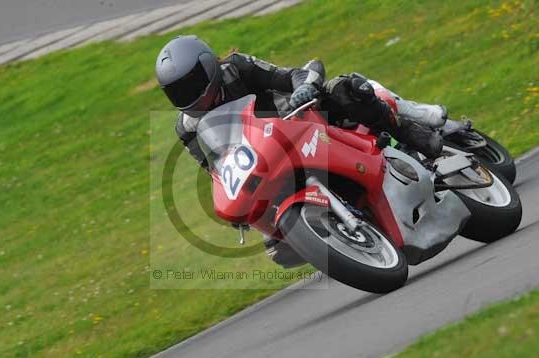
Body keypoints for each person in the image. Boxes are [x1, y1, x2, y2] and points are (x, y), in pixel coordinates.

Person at [155, 35, 445, 268]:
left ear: (209, 69)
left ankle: (411, 133)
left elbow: (292, 75)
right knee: (280, 249)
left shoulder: (236, 67)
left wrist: (303, 89)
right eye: (176, 91)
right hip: (267, 163)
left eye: (191, 84)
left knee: (347, 90)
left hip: (300, 120)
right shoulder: (187, 127)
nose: (187, 95)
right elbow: (216, 169)